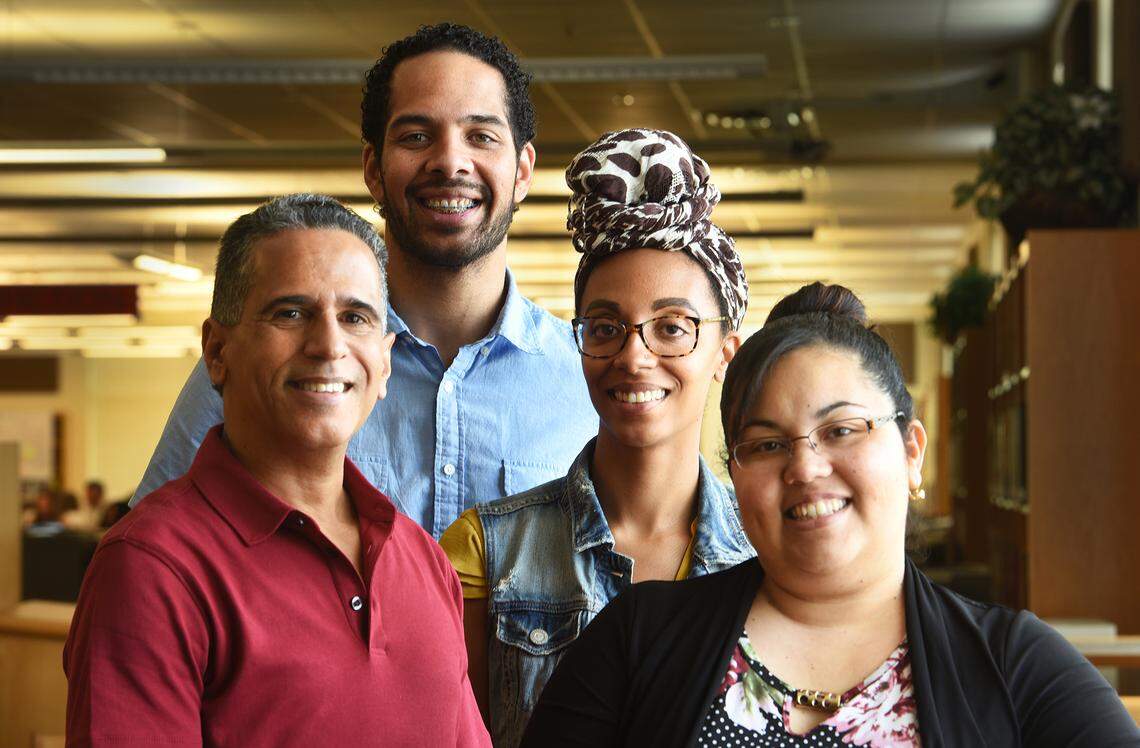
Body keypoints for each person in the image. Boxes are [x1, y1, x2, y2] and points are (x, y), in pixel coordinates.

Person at [521, 283, 1140, 747]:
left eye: (842, 429)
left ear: (911, 451)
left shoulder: (1014, 665)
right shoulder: (637, 639)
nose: (806, 467)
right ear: (734, 474)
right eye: (766, 444)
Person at [129, 23, 597, 537]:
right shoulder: (267, 360)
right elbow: (154, 544)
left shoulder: (586, 381)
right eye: (416, 136)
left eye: (481, 136)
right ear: (373, 167)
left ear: (523, 171)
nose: (449, 161)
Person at [65, 194, 489, 746]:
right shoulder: (152, 568)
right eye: (290, 313)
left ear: (384, 361)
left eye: (355, 317)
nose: (329, 345)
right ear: (217, 351)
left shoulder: (423, 562)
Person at [440, 129, 755, 747]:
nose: (634, 357)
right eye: (606, 326)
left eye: (672, 327)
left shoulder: (768, 549)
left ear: (725, 352)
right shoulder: (489, 549)